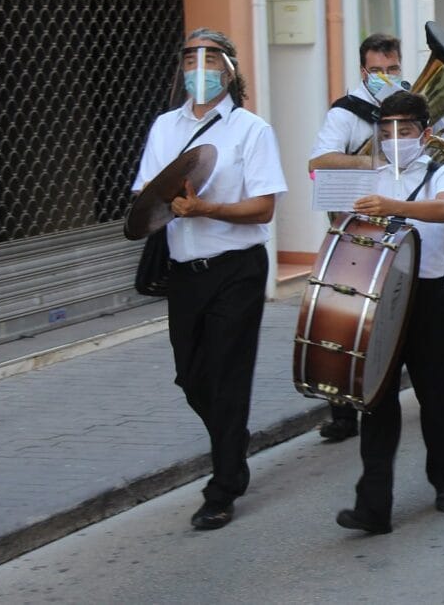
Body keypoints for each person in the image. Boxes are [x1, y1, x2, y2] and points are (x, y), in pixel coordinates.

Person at [132, 28, 288, 530]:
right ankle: (232, 437)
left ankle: (223, 487)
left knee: (227, 375)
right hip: (185, 272)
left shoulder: (251, 130)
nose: (199, 69)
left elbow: (263, 208)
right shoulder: (164, 127)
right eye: (190, 59)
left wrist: (207, 208)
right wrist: (168, 203)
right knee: (191, 375)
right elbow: (145, 196)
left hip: (236, 269)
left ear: (230, 70)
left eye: (211, 59)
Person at [335, 92, 444, 535]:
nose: (394, 138)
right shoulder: (368, 177)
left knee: (435, 393)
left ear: (424, 134)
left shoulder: (442, 171)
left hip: (428, 296)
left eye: (404, 130)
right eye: (386, 129)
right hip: (378, 297)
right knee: (375, 400)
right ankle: (373, 507)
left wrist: (394, 207)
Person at [309, 33, 407, 444]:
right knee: (345, 318)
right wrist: (374, 159)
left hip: (400, 224)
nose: (386, 76)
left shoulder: (411, 104)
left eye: (393, 68)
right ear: (364, 71)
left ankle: (384, 393)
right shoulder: (345, 112)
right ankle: (342, 412)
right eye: (378, 70)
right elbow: (319, 160)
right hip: (356, 229)